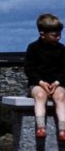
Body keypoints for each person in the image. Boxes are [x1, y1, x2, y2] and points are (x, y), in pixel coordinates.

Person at [23, 13, 65, 141]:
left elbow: (64, 69)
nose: (58, 37)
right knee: (40, 96)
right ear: (42, 34)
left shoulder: (62, 49)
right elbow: (29, 69)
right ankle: (41, 127)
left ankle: (63, 128)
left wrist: (58, 82)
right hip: (37, 83)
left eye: (59, 34)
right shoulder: (33, 48)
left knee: (60, 96)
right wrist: (41, 82)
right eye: (54, 35)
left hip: (57, 83)